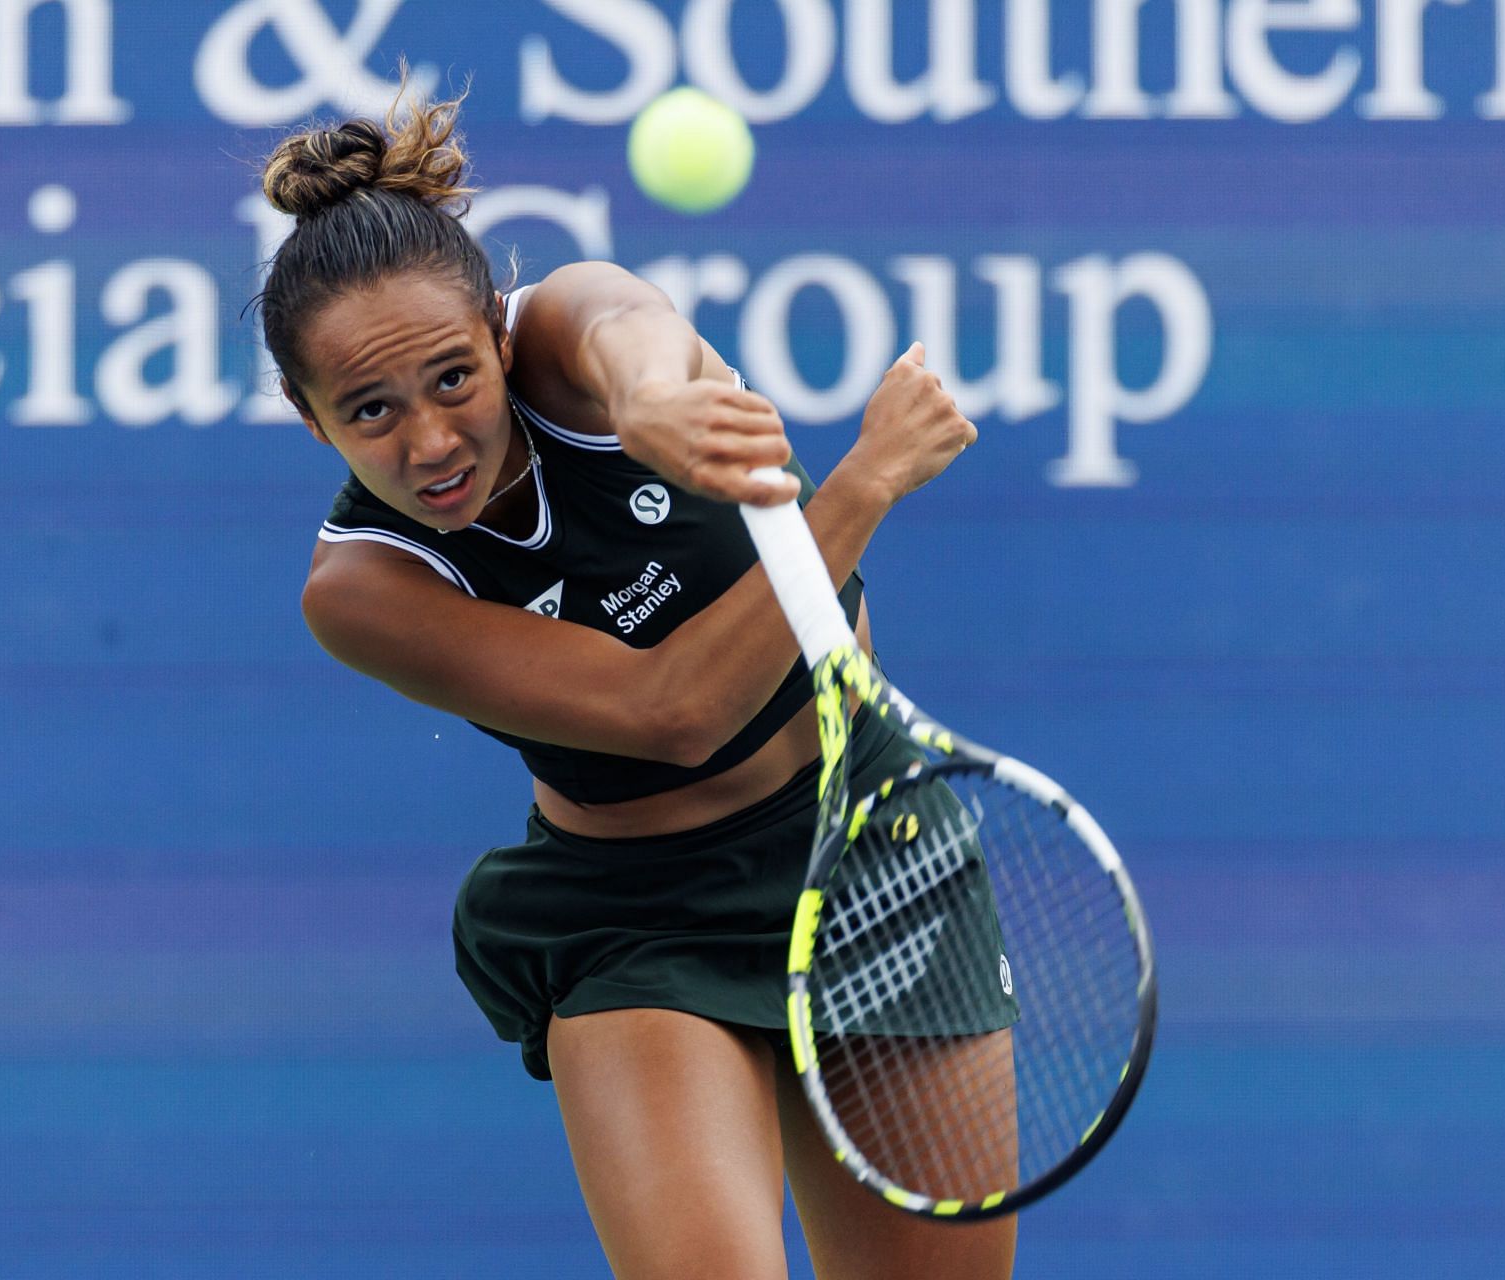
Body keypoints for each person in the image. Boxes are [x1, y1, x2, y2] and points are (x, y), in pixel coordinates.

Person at [254, 92, 1011, 1280]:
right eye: (371, 412)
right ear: (312, 424)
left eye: (454, 378)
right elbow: (674, 712)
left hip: (869, 842)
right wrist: (858, 490)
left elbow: (627, 334)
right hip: (638, 911)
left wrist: (654, 400)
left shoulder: (566, 330)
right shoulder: (359, 591)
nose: (432, 438)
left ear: (503, 340)